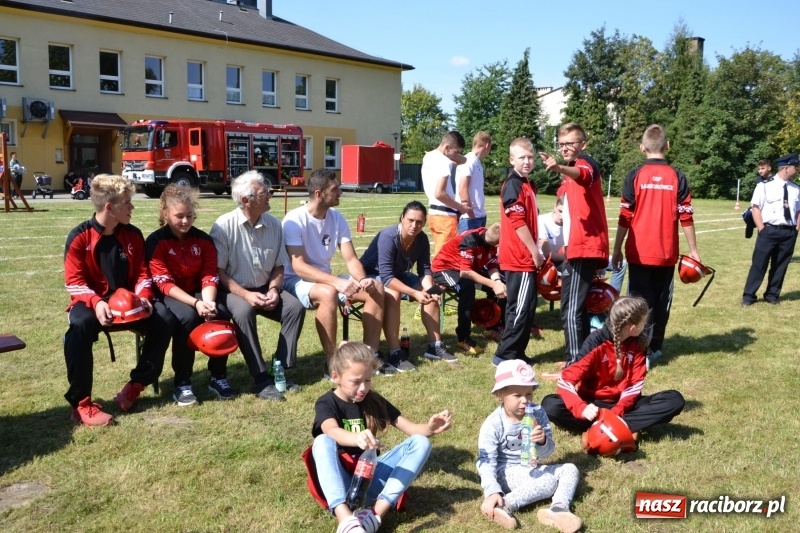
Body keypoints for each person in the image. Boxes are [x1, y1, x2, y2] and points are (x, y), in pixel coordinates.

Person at [63, 174, 174, 426]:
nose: (132, 207)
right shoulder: (79, 237)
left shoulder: (133, 234)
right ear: (109, 207)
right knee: (78, 328)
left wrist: (144, 297)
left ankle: (135, 385)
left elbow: (143, 274)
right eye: (127, 202)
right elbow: (74, 282)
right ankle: (80, 404)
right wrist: (96, 301)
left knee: (165, 318)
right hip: (92, 303)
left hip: (130, 303)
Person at [311, 341, 452, 533]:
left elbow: (410, 428)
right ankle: (345, 518)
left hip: (369, 480)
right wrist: (356, 438)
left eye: (368, 380)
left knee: (421, 442)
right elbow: (331, 430)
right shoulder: (326, 402)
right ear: (336, 377)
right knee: (321, 441)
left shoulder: (373, 400)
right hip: (340, 484)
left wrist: (430, 428)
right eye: (356, 381)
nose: (363, 388)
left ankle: (374, 515)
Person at [209, 170, 306, 402]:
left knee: (295, 307)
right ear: (246, 200)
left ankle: (280, 369)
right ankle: (261, 378)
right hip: (233, 290)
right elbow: (218, 272)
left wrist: (273, 289)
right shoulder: (223, 226)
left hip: (265, 287)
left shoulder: (274, 225)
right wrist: (246, 295)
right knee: (244, 311)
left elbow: (279, 266)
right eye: (264, 193)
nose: (270, 195)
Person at [611, 125, 700, 363]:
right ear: (667, 146)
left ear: (642, 148)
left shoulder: (634, 175)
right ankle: (653, 348)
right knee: (661, 302)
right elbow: (686, 216)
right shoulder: (678, 176)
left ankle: (636, 349)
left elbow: (624, 217)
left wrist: (617, 248)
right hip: (666, 253)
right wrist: (693, 251)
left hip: (638, 253)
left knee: (638, 304)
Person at [541, 296, 685, 440]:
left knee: (674, 399)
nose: (645, 326)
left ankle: (614, 426)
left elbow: (634, 387)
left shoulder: (639, 343)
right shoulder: (595, 342)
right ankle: (615, 427)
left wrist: (616, 412)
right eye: (643, 322)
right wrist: (581, 408)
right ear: (632, 327)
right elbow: (565, 381)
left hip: (624, 407)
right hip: (593, 405)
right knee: (550, 405)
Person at [282, 169, 384, 370]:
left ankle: (370, 355)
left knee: (376, 288)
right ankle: (332, 362)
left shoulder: (337, 218)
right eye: (335, 189)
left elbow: (351, 258)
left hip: (325, 278)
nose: (341, 192)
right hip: (295, 280)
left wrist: (363, 280)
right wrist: (336, 282)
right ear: (319, 194)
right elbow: (299, 266)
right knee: (328, 292)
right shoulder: (294, 220)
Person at [146, 185, 231, 406]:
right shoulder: (156, 241)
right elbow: (164, 283)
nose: (186, 221)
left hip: (199, 292)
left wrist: (208, 302)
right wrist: (195, 303)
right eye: (179, 216)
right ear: (166, 214)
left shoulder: (203, 240)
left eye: (190, 216)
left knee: (220, 313)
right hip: (170, 294)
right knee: (187, 317)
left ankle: (218, 377)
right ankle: (182, 382)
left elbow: (209, 275)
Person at [477, 359, 582, 532]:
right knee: (548, 481)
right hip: (505, 470)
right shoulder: (494, 424)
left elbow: (547, 453)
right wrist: (492, 491)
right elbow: (485, 461)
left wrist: (541, 441)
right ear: (500, 395)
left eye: (529, 394)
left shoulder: (538, 413)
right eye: (517, 395)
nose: (525, 400)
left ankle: (559, 508)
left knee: (570, 468)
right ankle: (504, 505)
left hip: (531, 466)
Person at [539, 123, 609, 365]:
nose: (565, 147)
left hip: (584, 246)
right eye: (561, 144)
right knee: (573, 307)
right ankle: (579, 358)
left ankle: (574, 364)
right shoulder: (569, 169)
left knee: (571, 309)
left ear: (583, 144)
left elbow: (585, 175)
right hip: (574, 247)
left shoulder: (585, 162)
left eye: (570, 143)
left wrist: (558, 167)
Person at [360, 201, 458, 372]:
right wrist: (414, 292)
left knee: (431, 292)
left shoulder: (422, 239)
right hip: (370, 275)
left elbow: (425, 270)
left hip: (397, 274)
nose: (414, 225)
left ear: (424, 223)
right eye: (410, 220)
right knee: (393, 294)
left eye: (419, 222)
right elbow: (387, 277)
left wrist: (428, 290)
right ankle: (395, 352)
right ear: (402, 218)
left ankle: (435, 346)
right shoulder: (388, 236)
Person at [494, 138, 544, 367]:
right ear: (511, 159)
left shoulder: (527, 183)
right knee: (521, 309)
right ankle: (505, 355)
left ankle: (517, 353)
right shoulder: (513, 184)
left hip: (523, 256)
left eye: (530, 157)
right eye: (521, 157)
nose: (527, 161)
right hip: (519, 257)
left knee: (526, 307)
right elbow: (517, 221)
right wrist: (534, 251)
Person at [431, 222, 505, 355]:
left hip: (466, 269)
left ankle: (491, 328)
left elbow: (492, 265)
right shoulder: (471, 240)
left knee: (499, 285)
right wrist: (493, 284)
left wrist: (497, 282)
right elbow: (465, 273)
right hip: (444, 268)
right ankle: (463, 338)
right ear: (499, 244)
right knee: (467, 288)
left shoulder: (490, 240)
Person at [742, 153, 800, 306]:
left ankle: (772, 295)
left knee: (780, 265)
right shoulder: (764, 185)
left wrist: (796, 228)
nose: (798, 170)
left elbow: (798, 211)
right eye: (796, 167)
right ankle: (749, 296)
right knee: (759, 264)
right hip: (769, 231)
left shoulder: (796, 189)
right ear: (786, 168)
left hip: (789, 232)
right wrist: (762, 228)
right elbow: (755, 208)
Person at [540, 195, 626, 296]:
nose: (562, 216)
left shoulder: (572, 221)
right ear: (555, 207)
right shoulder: (542, 221)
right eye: (560, 211)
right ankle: (589, 298)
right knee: (584, 269)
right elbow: (549, 254)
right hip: (549, 262)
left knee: (620, 264)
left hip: (568, 258)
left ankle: (612, 296)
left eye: (566, 213)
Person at [421, 131, 467, 254]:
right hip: (445, 215)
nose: (456, 155)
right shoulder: (444, 162)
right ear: (447, 147)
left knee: (439, 252)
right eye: (456, 152)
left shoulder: (429, 156)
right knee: (444, 257)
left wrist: (453, 154)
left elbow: (464, 160)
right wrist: (460, 207)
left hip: (434, 214)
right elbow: (439, 193)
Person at [455, 131, 492, 233]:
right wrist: (471, 216)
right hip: (469, 218)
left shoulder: (476, 162)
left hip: (478, 216)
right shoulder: (468, 160)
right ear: (487, 145)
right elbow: (462, 189)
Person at [744, 160, 775, 238]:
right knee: (748, 214)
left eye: (763, 168)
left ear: (769, 168)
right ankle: (750, 227)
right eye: (759, 169)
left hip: (770, 205)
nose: (760, 171)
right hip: (760, 204)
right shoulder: (758, 179)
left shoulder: (775, 179)